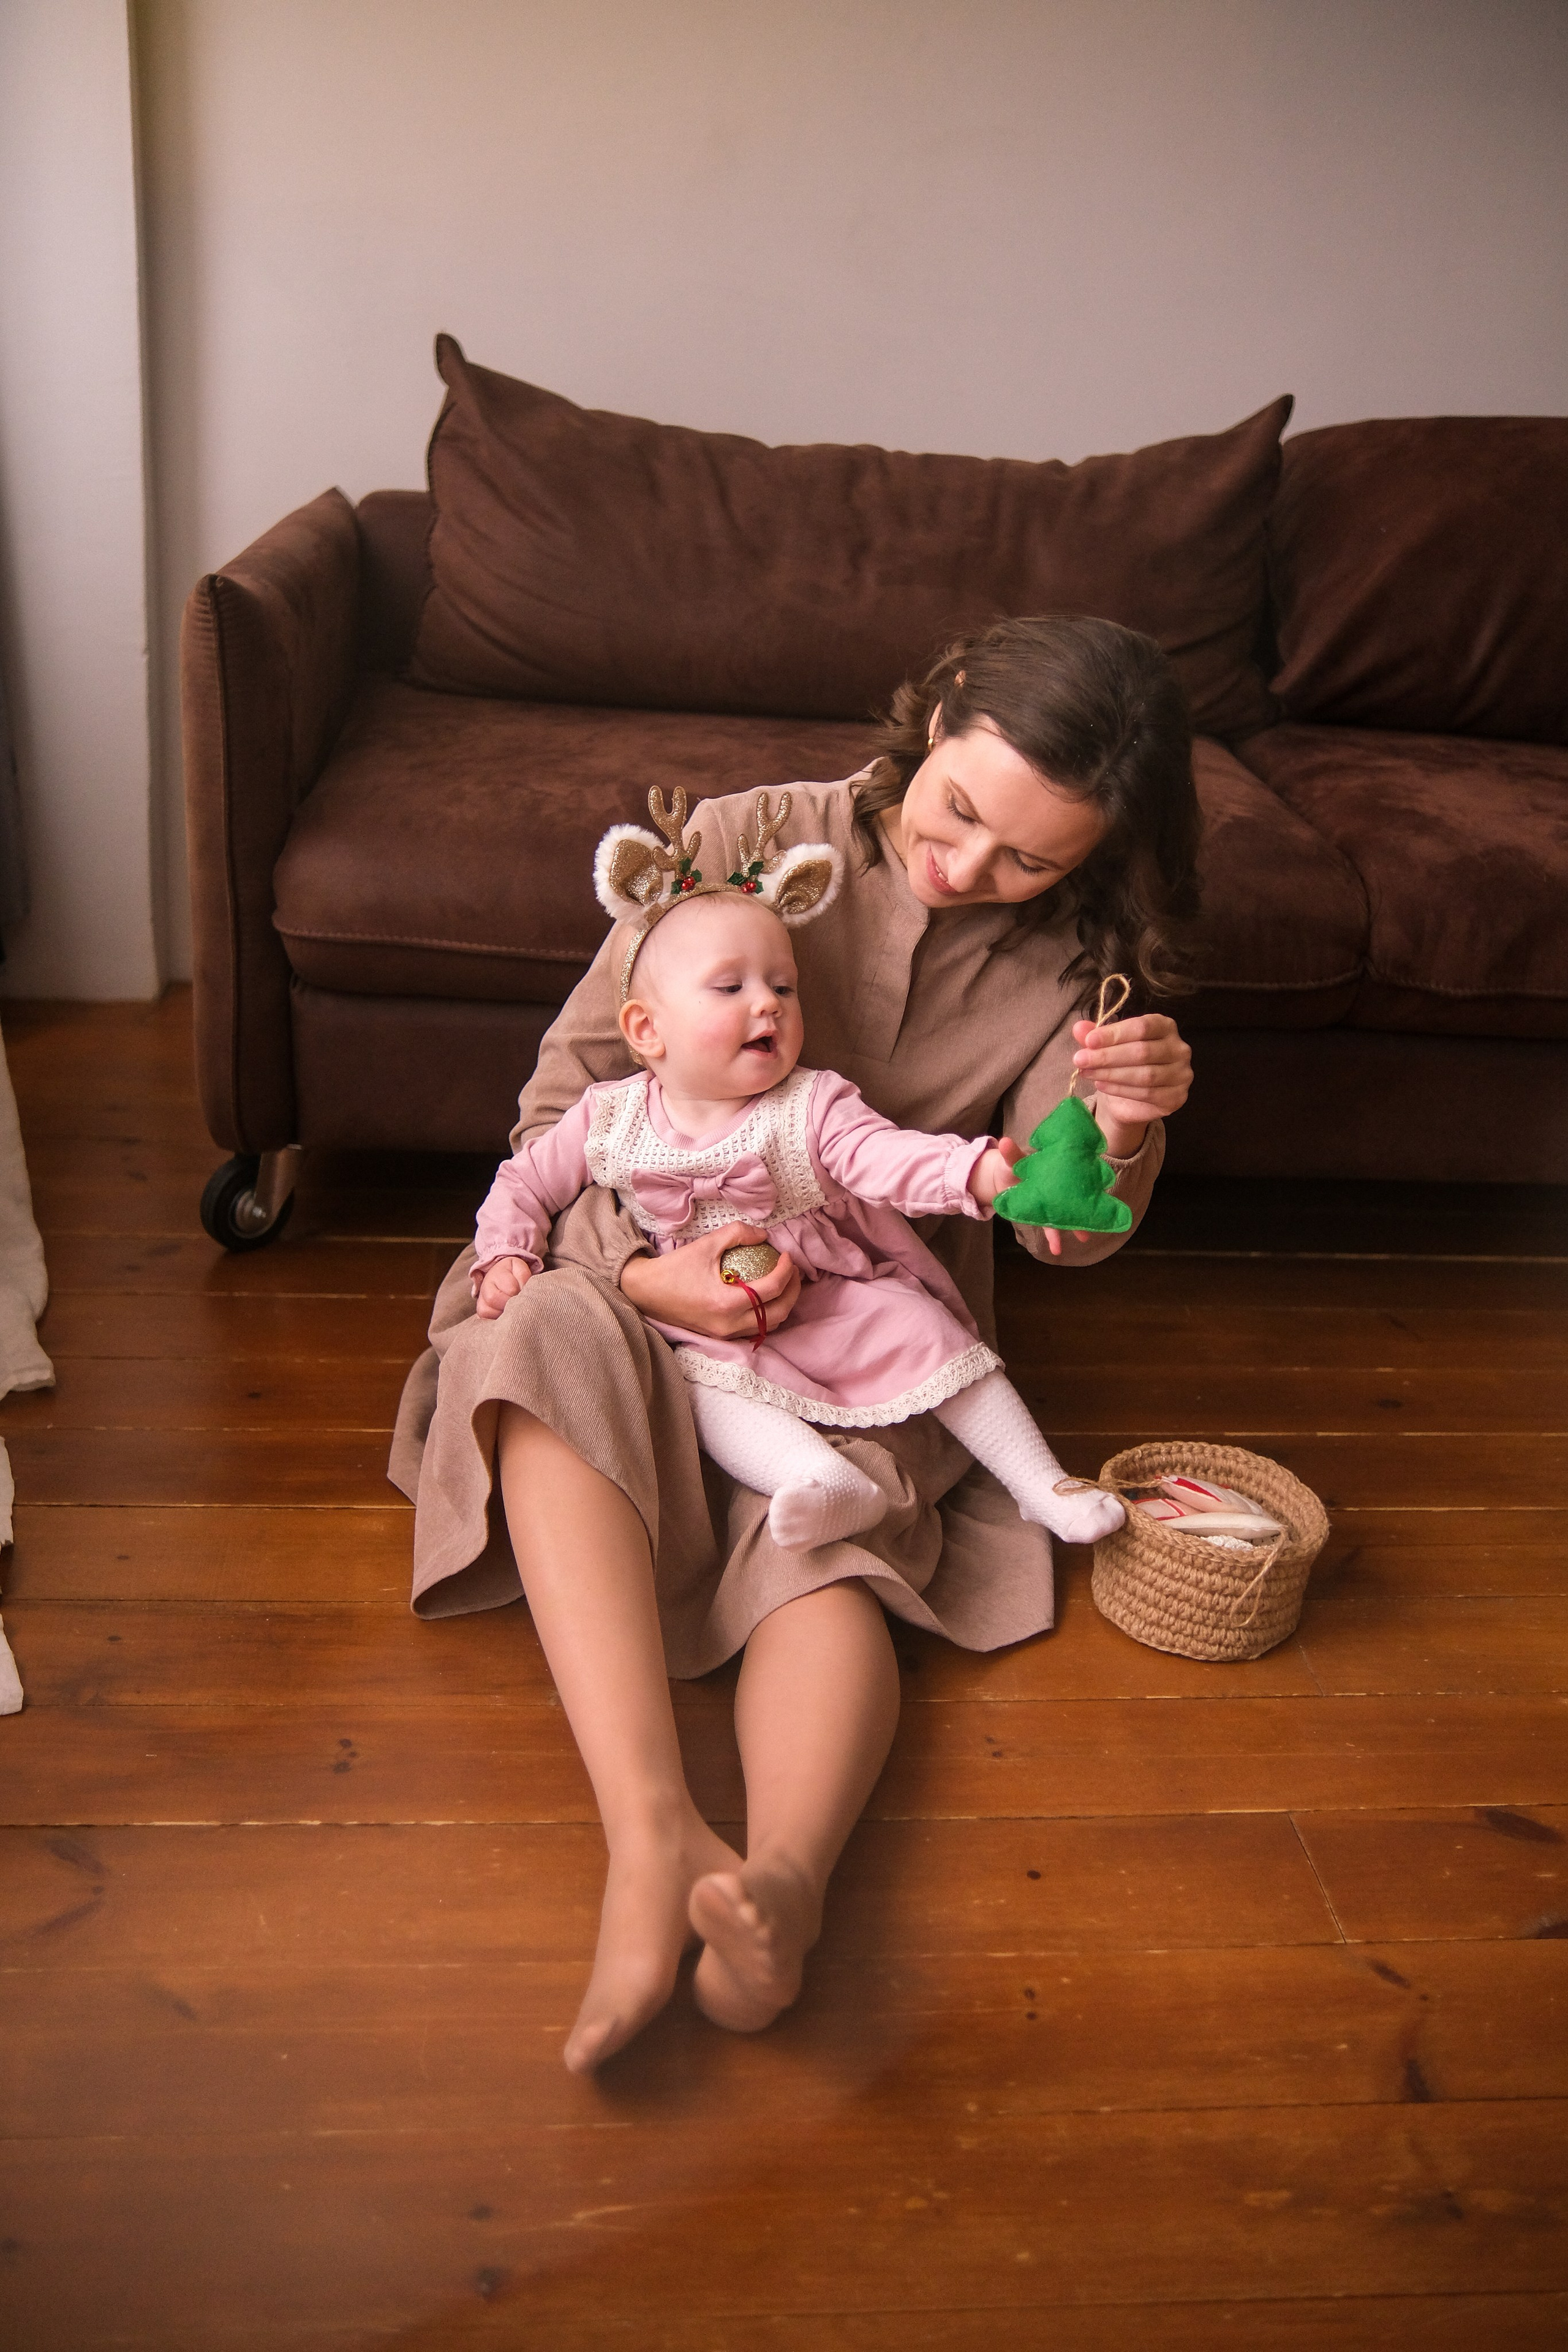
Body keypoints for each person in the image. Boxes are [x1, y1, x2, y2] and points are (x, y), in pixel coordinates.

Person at [390, 614, 1199, 2073]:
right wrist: (649, 1277)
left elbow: (1047, 1224)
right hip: (634, 1259)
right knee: (537, 1337)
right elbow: (561, 1114)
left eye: (1029, 858)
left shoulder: (1072, 971)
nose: (964, 870)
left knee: (824, 1535)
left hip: (853, 1311)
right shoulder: (741, 840)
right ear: (937, 708)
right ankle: (650, 1836)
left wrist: (1121, 1131)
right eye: (958, 811)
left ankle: (784, 1887)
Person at [469, 802, 1129, 1557]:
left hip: (826, 1292)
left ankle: (1043, 1484)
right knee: (704, 1390)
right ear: (647, 1030)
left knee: (924, 1332)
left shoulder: (811, 1103)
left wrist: (974, 1171)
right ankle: (818, 1481)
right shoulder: (609, 1118)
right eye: (730, 989)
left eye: (783, 988)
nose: (767, 1005)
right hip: (698, 1321)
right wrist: (507, 1254)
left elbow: (885, 1157)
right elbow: (524, 1183)